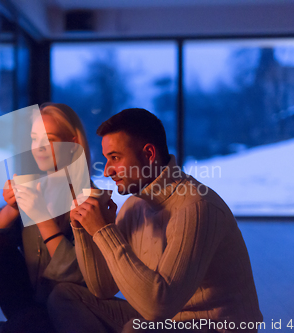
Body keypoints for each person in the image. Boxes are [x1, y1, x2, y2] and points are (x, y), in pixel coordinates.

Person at [48, 108, 263, 333]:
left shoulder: (197, 206)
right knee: (65, 296)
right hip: (166, 323)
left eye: (115, 158)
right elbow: (103, 288)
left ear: (149, 154)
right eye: (106, 159)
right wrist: (84, 229)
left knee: (137, 329)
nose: (108, 170)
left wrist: (104, 231)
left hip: (219, 328)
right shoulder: (135, 204)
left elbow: (158, 308)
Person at [0, 103, 91, 333]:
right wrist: (12, 208)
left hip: (69, 309)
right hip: (30, 301)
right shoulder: (35, 187)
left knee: (28, 324)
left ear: (73, 144)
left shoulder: (90, 200)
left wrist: (41, 215)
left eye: (50, 139)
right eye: (35, 139)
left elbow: (78, 275)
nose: (39, 147)